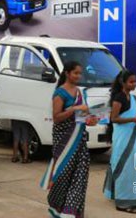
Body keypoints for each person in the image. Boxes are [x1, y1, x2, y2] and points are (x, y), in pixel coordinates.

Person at [41, 61, 99, 218]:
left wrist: (91, 119)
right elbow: (57, 117)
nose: (78, 76)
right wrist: (74, 109)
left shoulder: (80, 92)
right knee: (63, 175)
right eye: (76, 73)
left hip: (79, 139)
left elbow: (83, 116)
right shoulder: (60, 93)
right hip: (64, 140)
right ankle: (56, 207)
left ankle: (70, 213)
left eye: (80, 73)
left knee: (80, 176)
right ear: (67, 73)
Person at [103, 70, 136, 214]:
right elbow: (114, 118)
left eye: (135, 81)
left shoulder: (133, 98)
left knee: (134, 168)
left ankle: (134, 197)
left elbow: (130, 115)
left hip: (132, 137)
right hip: (122, 138)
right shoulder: (118, 98)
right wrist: (133, 119)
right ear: (123, 83)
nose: (134, 84)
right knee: (123, 167)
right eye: (131, 82)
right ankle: (122, 202)